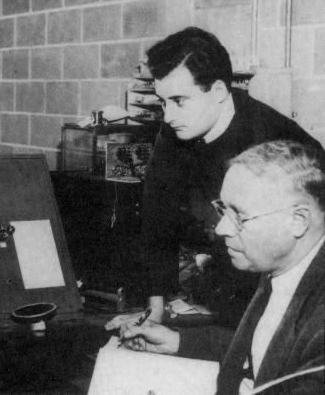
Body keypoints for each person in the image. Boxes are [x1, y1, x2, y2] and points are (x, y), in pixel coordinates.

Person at [107, 27, 322, 330]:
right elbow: (157, 217)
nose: (167, 116)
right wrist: (155, 308)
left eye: (179, 100)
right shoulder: (176, 129)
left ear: (219, 92)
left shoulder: (273, 139)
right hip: (225, 273)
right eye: (162, 102)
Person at [121, 140, 325, 395]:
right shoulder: (285, 264)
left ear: (299, 220)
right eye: (223, 210)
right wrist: (177, 341)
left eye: (239, 216)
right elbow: (272, 352)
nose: (221, 229)